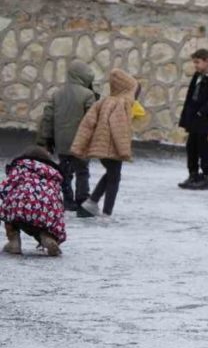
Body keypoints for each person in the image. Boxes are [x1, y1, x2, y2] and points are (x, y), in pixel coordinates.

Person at [70, 70, 140, 220]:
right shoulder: (122, 103)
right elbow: (119, 128)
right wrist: (123, 150)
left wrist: (79, 145)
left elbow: (87, 123)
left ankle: (92, 202)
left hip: (101, 146)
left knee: (111, 174)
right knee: (114, 178)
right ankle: (107, 212)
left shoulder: (104, 101)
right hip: (113, 147)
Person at [36, 60, 96, 214]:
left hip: (61, 141)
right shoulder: (88, 94)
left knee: (65, 171)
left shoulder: (57, 94)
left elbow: (48, 118)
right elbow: (92, 119)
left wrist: (45, 140)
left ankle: (67, 200)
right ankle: (82, 200)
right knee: (82, 171)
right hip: (81, 142)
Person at [1, 146, 66, 257]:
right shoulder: (53, 174)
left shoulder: (20, 168)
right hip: (46, 212)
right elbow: (58, 200)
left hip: (20, 208)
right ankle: (47, 238)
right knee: (44, 222)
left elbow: (5, 188)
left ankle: (14, 241)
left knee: (9, 207)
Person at [177, 49, 208, 190]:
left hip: (204, 121)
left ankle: (205, 177)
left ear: (207, 61)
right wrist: (188, 115)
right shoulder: (198, 76)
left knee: (204, 149)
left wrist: (202, 111)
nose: (195, 65)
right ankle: (193, 174)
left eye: (198, 62)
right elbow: (191, 96)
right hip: (194, 120)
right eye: (194, 62)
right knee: (191, 147)